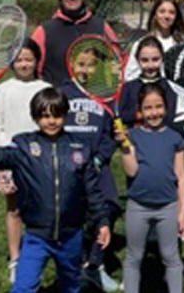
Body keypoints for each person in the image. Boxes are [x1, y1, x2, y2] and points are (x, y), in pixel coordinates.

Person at [0, 88, 111, 293]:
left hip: (71, 235)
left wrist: (102, 222)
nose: (51, 121)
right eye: (45, 116)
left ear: (65, 115)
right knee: (23, 287)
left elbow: (92, 190)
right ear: (35, 117)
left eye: (56, 115)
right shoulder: (24, 146)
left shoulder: (79, 147)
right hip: (36, 236)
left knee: (70, 286)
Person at [57, 43, 123, 291]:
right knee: (75, 214)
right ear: (71, 64)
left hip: (97, 165)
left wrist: (100, 156)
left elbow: (110, 133)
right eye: (81, 64)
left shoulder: (104, 93)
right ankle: (81, 263)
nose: (85, 70)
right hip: (71, 166)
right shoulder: (62, 92)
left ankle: (96, 264)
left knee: (110, 206)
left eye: (90, 64)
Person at [0, 40, 50, 283]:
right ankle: (15, 259)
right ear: (12, 63)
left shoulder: (44, 88)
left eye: (28, 59)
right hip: (10, 159)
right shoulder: (3, 90)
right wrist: (10, 149)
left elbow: (51, 121)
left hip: (39, 159)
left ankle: (36, 257)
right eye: (19, 60)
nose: (24, 64)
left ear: (36, 61)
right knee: (13, 209)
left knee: (39, 209)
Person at [119, 84, 184, 293]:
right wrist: (124, 146)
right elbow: (131, 171)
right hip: (137, 206)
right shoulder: (132, 135)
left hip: (167, 206)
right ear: (139, 110)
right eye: (148, 108)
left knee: (171, 256)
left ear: (166, 108)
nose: (154, 112)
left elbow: (181, 176)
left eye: (158, 107)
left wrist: (182, 212)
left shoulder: (175, 138)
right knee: (134, 257)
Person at [31, 0, 117, 86]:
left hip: (94, 100)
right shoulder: (44, 31)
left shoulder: (101, 27)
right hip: (57, 100)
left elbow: (116, 63)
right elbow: (33, 68)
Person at [119, 37, 180, 131]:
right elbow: (122, 115)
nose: (150, 65)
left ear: (162, 58)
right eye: (144, 60)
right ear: (137, 60)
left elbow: (169, 117)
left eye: (155, 59)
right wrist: (138, 114)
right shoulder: (129, 87)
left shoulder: (169, 87)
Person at [125, 0, 184, 80]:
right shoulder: (140, 44)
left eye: (171, 12)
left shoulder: (183, 44)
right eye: (162, 11)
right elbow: (129, 77)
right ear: (155, 15)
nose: (166, 16)